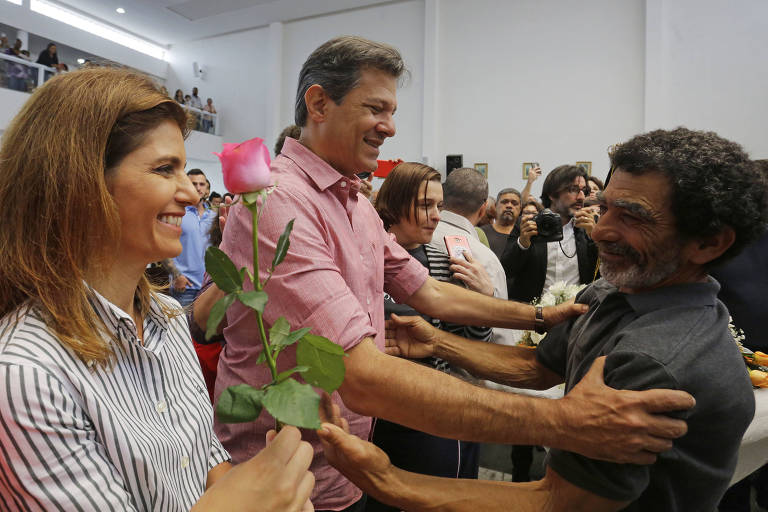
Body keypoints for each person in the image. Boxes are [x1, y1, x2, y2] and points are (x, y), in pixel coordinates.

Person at [199, 35, 694, 512]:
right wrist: (563, 422)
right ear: (319, 103)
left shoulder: (353, 201)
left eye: (392, 112)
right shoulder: (282, 201)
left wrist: (540, 316)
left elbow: (429, 292)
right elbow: (359, 373)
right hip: (280, 475)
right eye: (376, 109)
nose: (389, 127)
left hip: (340, 460)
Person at [319, 127, 768, 512]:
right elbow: (538, 368)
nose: (604, 229)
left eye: (633, 218)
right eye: (606, 206)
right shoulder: (617, 289)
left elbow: (555, 502)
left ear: (708, 244)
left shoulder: (656, 360)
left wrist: (391, 482)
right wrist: (440, 344)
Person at [0, 67, 314, 511]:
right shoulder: (25, 373)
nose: (191, 193)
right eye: (165, 169)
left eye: (184, 170)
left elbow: (203, 457)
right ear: (83, 183)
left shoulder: (166, 317)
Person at [368, 162, 494, 511]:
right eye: (426, 205)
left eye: (439, 206)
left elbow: (471, 344)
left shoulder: (443, 262)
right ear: (394, 203)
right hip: (369, 407)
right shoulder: (363, 257)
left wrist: (481, 301)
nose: (436, 216)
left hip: (425, 408)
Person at [431, 167, 515, 347]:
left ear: (442, 198)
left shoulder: (414, 238)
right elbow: (500, 336)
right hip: (462, 364)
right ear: (484, 208)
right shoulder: (486, 259)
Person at [501, 164, 599, 303]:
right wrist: (523, 244)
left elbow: (605, 275)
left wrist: (596, 239)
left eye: (584, 190)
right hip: (533, 315)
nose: (581, 197)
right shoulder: (529, 225)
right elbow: (506, 271)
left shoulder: (589, 226)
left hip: (576, 315)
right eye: (573, 190)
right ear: (553, 194)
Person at [163, 169, 216, 307]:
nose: (198, 188)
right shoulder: (176, 213)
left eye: (202, 184)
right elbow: (164, 247)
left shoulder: (213, 217)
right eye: (193, 184)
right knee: (183, 328)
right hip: (185, 287)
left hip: (208, 287)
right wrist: (177, 276)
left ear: (206, 188)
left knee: (208, 329)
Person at [481, 187, 522, 260]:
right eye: (504, 202)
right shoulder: (482, 233)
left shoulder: (524, 235)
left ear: (520, 209)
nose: (509, 206)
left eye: (514, 203)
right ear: (496, 205)